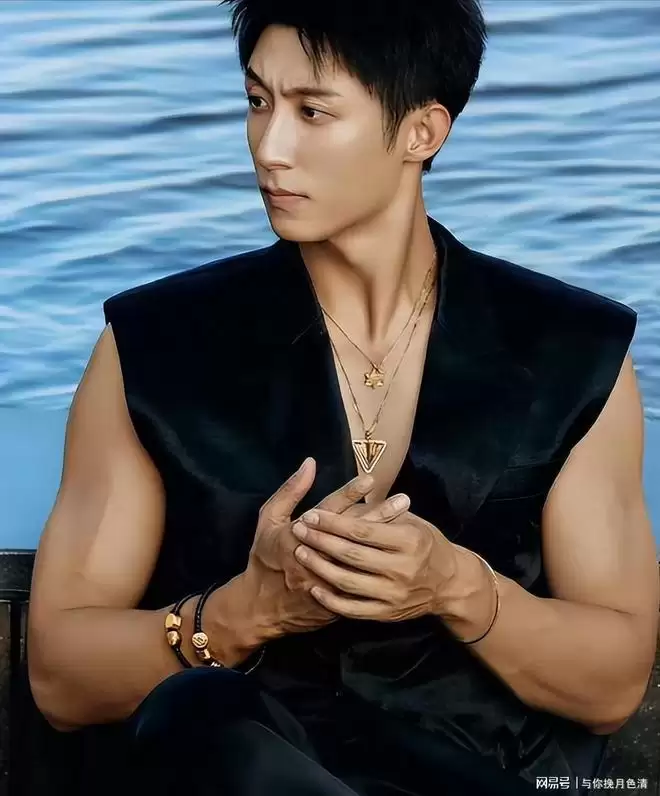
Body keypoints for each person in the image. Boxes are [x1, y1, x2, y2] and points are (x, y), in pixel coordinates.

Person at [26, 1, 659, 795]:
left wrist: (457, 587)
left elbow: (611, 688)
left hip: (480, 773)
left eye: (312, 112)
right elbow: (60, 679)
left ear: (421, 132)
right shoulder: (152, 346)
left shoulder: (573, 352)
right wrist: (244, 613)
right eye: (257, 102)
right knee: (203, 715)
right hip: (231, 764)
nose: (269, 147)